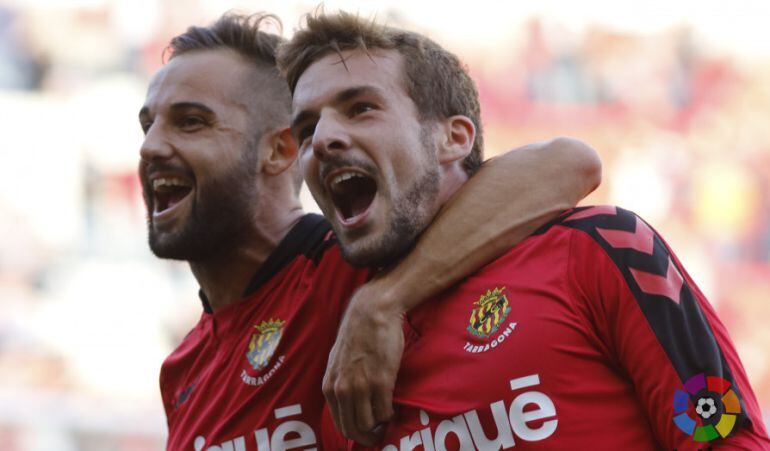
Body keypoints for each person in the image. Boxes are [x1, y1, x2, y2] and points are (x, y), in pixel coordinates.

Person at [279, 11, 770, 450]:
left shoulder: (597, 249)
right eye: (305, 130)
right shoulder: (345, 372)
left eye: (361, 107)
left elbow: (722, 432)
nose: (322, 140)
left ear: (453, 137)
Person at [138, 13, 600, 450]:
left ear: (279, 150)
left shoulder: (357, 260)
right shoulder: (182, 370)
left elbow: (564, 163)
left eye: (191, 122)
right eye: (147, 125)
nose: (151, 146)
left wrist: (384, 298)